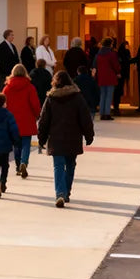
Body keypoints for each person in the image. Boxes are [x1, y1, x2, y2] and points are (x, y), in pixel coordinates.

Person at [37, 70, 95, 208]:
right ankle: (66, 191)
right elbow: (85, 118)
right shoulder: (77, 97)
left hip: (56, 138)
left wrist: (41, 138)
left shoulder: (51, 98)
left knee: (58, 166)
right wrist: (89, 135)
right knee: (70, 165)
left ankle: (60, 193)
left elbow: (44, 120)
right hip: (73, 138)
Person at [3, 64, 41, 179]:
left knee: (16, 145)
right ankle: (24, 162)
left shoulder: (7, 88)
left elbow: (3, 104)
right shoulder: (30, 87)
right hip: (27, 119)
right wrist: (37, 114)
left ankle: (18, 165)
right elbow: (35, 104)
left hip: (12, 121)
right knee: (26, 144)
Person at [92, 37, 120, 120]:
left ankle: (102, 113)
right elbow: (115, 65)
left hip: (101, 77)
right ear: (110, 44)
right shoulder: (111, 54)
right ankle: (107, 114)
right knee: (109, 95)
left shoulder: (98, 54)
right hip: (110, 76)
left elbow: (94, 65)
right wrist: (118, 72)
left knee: (103, 95)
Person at [113, 40, 131, 115]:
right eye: (127, 45)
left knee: (118, 90)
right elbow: (128, 61)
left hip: (120, 74)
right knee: (118, 90)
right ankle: (116, 106)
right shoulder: (125, 53)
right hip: (122, 74)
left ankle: (116, 105)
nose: (128, 47)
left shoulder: (117, 53)